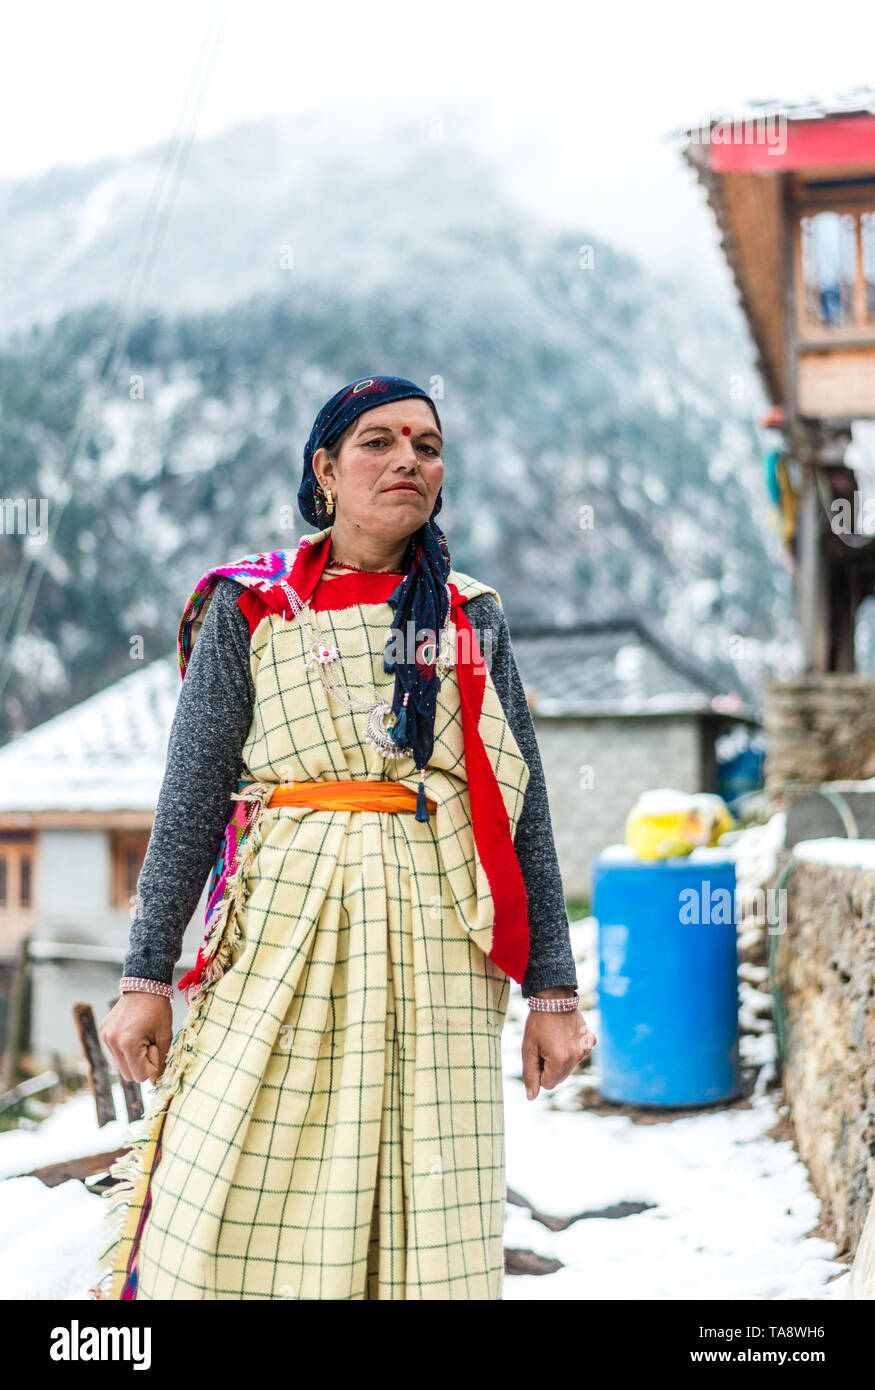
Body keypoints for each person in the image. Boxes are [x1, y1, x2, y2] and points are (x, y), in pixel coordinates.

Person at [93, 374, 596, 1301]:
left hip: (439, 946)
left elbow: (518, 803)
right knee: (228, 1162)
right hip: (279, 932)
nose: (408, 459)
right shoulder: (249, 607)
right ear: (324, 471)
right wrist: (145, 977)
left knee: (424, 1188)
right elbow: (191, 799)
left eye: (426, 446)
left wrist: (553, 991)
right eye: (378, 441)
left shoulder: (467, 615)